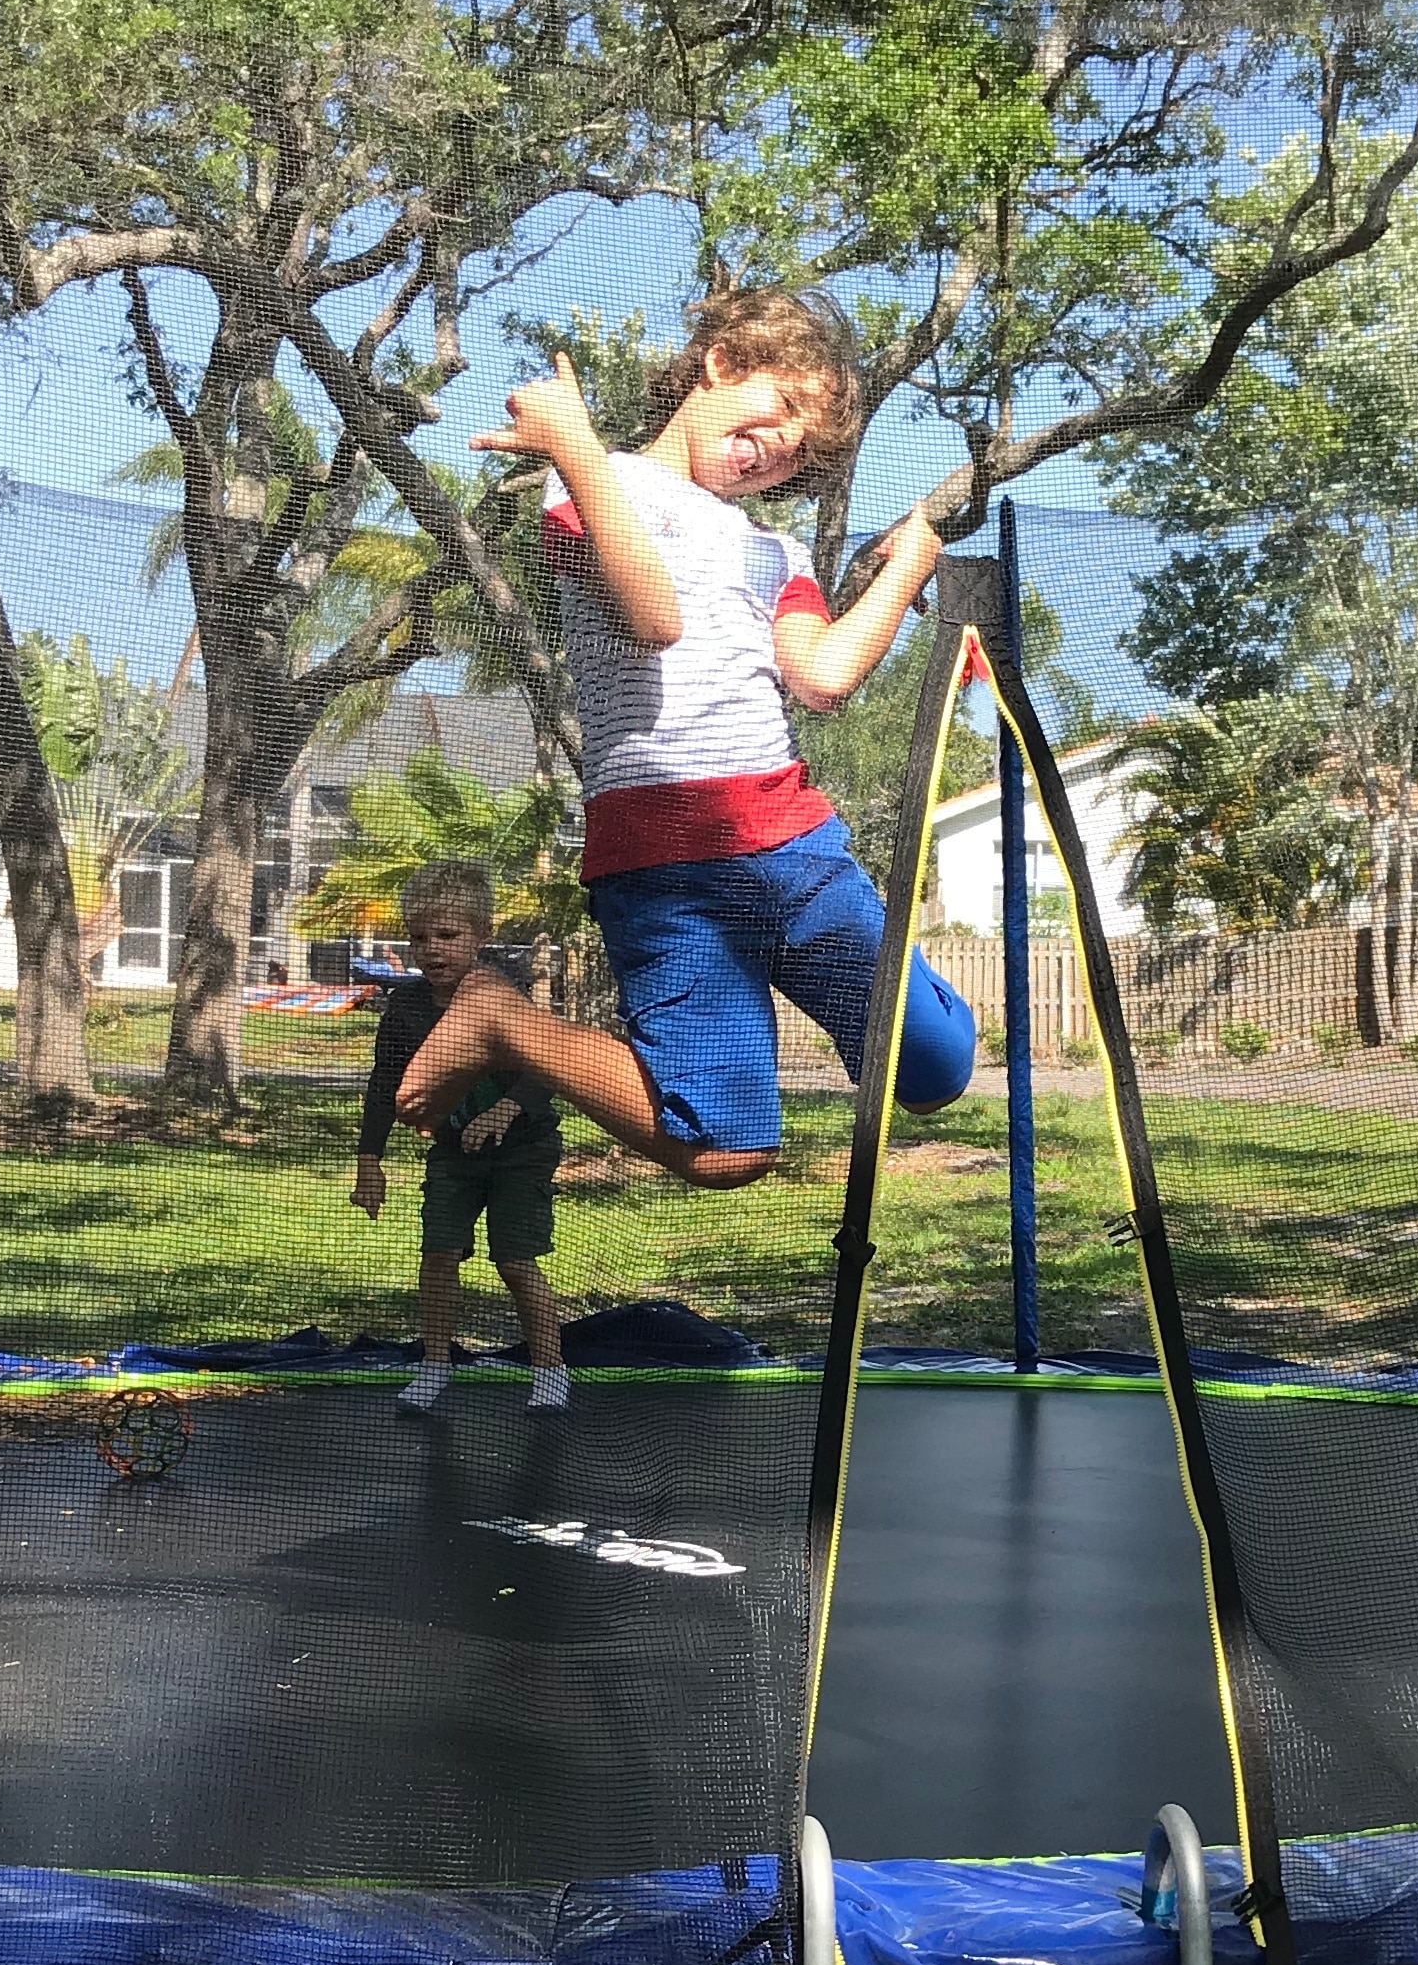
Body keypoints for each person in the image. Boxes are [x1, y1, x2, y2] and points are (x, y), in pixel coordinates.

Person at [393, 290, 977, 1183]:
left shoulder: (776, 552)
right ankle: (500, 1021)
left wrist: (908, 566)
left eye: (801, 451)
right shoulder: (596, 481)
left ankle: (909, 1008)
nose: (781, 446)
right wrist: (576, 444)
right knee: (726, 1152)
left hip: (794, 846)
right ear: (721, 363)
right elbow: (653, 618)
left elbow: (822, 677)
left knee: (936, 1072)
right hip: (667, 868)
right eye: (781, 407)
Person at [350, 861, 572, 1416]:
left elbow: (549, 1065)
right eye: (420, 938)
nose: (432, 950)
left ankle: (550, 1371)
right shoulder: (406, 1007)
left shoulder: (503, 995)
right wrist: (369, 1160)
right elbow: (384, 1084)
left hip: (522, 1151)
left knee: (515, 1262)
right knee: (438, 1255)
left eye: (448, 936)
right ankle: (434, 1365)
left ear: (482, 935)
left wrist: (505, 1110)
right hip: (453, 1154)